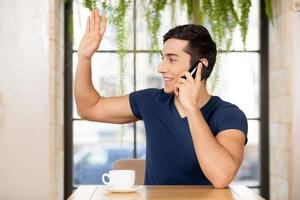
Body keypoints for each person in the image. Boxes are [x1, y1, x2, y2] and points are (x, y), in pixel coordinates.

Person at [75, 9, 248, 188]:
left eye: (172, 60)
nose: (161, 68)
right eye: (162, 58)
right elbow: (88, 109)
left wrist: (192, 109)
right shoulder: (151, 101)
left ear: (201, 67)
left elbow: (221, 177)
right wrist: (84, 58)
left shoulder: (229, 115)